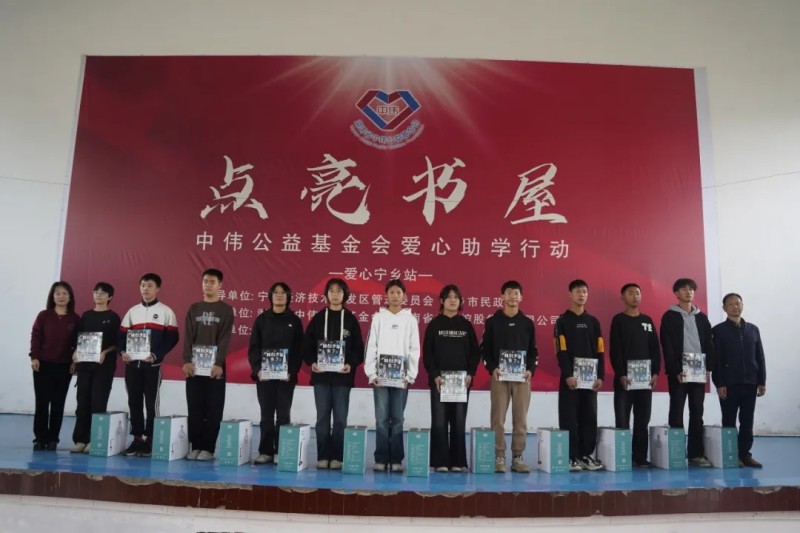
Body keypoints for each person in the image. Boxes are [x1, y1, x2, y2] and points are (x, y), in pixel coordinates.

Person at [303, 278, 364, 470]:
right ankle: (323, 455)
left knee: (340, 419)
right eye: (331, 291)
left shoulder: (351, 319)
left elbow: (358, 348)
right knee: (322, 417)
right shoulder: (319, 318)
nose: (335, 294)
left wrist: (350, 364)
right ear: (326, 294)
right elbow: (306, 345)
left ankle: (337, 456)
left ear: (345, 295)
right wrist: (312, 362)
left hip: (342, 378)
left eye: (339, 291)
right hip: (321, 377)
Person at [118, 273, 179, 457]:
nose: (145, 289)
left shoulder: (166, 312)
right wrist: (122, 352)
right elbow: (121, 336)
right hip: (132, 366)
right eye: (143, 285)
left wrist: (156, 355)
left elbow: (172, 338)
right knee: (134, 402)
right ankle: (137, 439)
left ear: (157, 288)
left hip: (152, 367)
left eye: (150, 285)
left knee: (152, 403)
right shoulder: (132, 312)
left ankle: (151, 439)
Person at [481, 280, 538, 473]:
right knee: (497, 419)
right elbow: (485, 350)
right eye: (509, 293)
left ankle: (517, 457)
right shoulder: (493, 321)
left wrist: (530, 370)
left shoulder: (527, 323)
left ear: (521, 297)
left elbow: (533, 351)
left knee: (520, 419)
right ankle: (498, 456)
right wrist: (492, 368)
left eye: (516, 293)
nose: (512, 296)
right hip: (499, 377)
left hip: (522, 378)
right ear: (502, 297)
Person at [364, 279, 421, 473]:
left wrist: (410, 375)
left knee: (397, 419)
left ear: (404, 296)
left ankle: (396, 459)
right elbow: (372, 346)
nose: (395, 296)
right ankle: (381, 458)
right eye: (392, 292)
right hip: (380, 378)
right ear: (386, 295)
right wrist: (372, 373)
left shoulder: (410, 320)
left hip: (401, 379)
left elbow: (414, 349)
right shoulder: (378, 318)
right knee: (381, 419)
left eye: (399, 292)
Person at [423, 284, 480, 472]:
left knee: (458, 421)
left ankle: (457, 462)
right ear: (442, 301)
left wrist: (470, 373)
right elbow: (428, 354)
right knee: (439, 422)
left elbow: (475, 353)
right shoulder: (434, 325)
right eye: (449, 297)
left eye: (456, 297)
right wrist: (434, 375)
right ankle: (439, 462)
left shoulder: (466, 325)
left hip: (461, 382)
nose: (453, 300)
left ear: (460, 301)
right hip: (439, 382)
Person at [660, 277, 715, 467]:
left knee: (697, 412)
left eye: (691, 289)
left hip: (698, 371)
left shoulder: (702, 317)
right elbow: (667, 345)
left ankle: (695, 454)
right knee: (676, 411)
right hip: (679, 373)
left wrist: (708, 367)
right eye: (684, 289)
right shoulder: (669, 316)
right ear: (676, 293)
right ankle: (675, 455)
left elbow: (709, 343)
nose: (688, 292)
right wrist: (675, 369)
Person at [248, 281, 303, 464]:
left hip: (286, 377)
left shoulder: (294, 321)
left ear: (288, 297)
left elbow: (298, 350)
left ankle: (281, 451)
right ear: (270, 296)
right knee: (266, 415)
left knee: (283, 415)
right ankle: (266, 451)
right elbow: (254, 348)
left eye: (283, 292)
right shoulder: (261, 320)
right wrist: (258, 370)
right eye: (276, 292)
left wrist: (291, 371)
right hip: (264, 377)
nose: (279, 295)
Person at [182, 268, 234, 461]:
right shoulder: (194, 308)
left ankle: (208, 448)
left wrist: (219, 362)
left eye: (212, 282)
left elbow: (224, 338)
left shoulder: (226, 310)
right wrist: (187, 360)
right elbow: (188, 336)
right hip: (194, 366)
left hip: (215, 367)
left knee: (213, 408)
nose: (208, 285)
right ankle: (196, 445)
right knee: (195, 407)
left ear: (220, 285)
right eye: (205, 281)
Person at [555, 279, 605, 472]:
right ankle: (571, 457)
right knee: (569, 417)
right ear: (570, 294)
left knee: (589, 417)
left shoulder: (593, 322)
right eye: (577, 291)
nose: (581, 294)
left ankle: (585, 455)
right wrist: (568, 374)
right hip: (570, 380)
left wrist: (600, 376)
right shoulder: (562, 321)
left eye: (584, 291)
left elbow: (600, 350)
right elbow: (561, 350)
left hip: (590, 380)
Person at [712, 293, 766, 468]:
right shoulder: (718, 331)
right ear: (724, 308)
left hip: (750, 382)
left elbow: (760, 356)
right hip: (729, 384)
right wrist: (719, 383)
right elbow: (716, 360)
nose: (735, 306)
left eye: (738, 303)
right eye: (731, 304)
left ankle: (745, 454)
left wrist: (762, 380)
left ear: (742, 305)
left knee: (747, 421)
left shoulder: (753, 329)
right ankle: (731, 455)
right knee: (729, 421)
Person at [609, 283, 660, 467]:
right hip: (625, 380)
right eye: (630, 293)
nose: (635, 296)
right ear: (622, 297)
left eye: (638, 293)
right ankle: (623, 457)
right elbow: (615, 349)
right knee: (622, 420)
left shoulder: (647, 321)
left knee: (642, 420)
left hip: (645, 381)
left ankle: (640, 457)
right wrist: (621, 374)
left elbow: (655, 348)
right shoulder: (618, 320)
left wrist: (655, 372)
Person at [71, 282, 122, 454]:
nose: (98, 295)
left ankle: (95, 439)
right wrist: (76, 353)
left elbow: (116, 343)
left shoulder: (113, 317)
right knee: (82, 403)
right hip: (85, 366)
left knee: (98, 403)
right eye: (96, 292)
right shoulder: (86, 316)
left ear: (110, 297)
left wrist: (105, 352)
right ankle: (80, 439)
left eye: (103, 292)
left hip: (103, 367)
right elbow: (79, 339)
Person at [29, 281, 80, 451]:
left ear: (70, 297)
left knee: (58, 403)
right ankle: (39, 438)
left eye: (65, 293)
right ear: (52, 297)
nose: (61, 296)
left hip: (64, 366)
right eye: (57, 293)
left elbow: (78, 343)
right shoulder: (44, 315)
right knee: (42, 403)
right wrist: (34, 357)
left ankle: (53, 438)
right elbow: (36, 336)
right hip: (42, 365)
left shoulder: (75, 319)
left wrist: (74, 362)